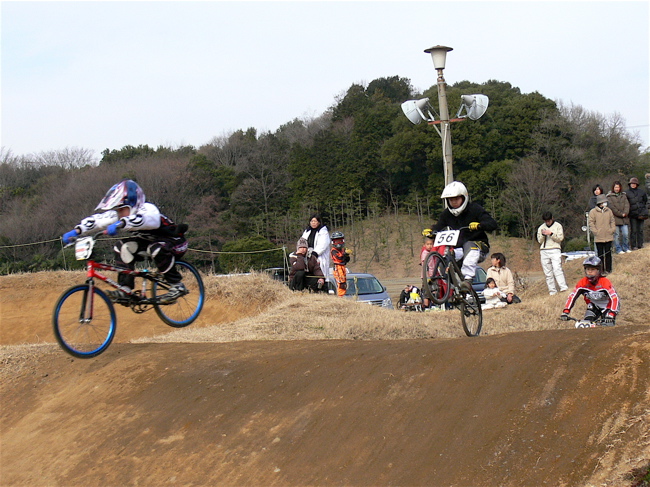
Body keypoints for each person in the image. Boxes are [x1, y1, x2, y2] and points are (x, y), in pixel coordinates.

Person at [61, 179, 188, 304]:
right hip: (149, 243)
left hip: (175, 241)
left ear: (133, 204)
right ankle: (125, 288)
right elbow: (97, 220)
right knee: (122, 246)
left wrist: (121, 223)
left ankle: (177, 285)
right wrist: (77, 231)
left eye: (122, 210)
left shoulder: (148, 209)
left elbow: (147, 220)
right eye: (118, 211)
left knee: (156, 248)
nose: (119, 214)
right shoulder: (120, 216)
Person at [429, 181, 498, 292]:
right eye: (451, 200)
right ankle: (451, 290)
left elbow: (492, 224)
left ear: (464, 198)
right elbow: (438, 226)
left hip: (479, 248)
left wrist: (480, 225)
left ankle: (468, 279)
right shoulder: (446, 214)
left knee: (469, 245)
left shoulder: (475, 209)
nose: (454, 202)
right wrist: (431, 232)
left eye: (456, 199)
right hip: (459, 250)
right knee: (446, 256)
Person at [560, 256, 619, 327]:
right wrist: (566, 311)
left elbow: (614, 298)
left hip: (608, 306)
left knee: (607, 325)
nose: (590, 272)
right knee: (586, 323)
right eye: (588, 269)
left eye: (593, 269)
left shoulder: (605, 282)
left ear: (599, 271)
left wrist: (612, 313)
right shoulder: (582, 282)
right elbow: (572, 297)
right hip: (594, 305)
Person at [536, 211, 568, 295]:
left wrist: (551, 234)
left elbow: (560, 238)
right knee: (547, 272)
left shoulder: (558, 226)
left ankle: (563, 287)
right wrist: (543, 235)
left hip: (555, 249)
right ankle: (552, 291)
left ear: (552, 219)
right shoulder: (541, 227)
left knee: (557, 269)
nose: (547, 222)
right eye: (545, 221)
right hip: (544, 250)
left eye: (548, 221)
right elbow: (539, 241)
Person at [588, 194, 615, 274]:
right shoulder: (593, 212)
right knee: (600, 255)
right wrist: (596, 232)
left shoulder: (609, 211)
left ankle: (609, 270)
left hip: (608, 236)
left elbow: (612, 221)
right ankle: (601, 270)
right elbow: (591, 223)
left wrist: (612, 229)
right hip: (599, 237)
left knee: (608, 254)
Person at [607, 181, 631, 254]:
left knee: (625, 234)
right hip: (615, 219)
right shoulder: (609, 197)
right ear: (613, 188)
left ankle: (626, 247)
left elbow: (627, 205)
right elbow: (612, 207)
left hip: (624, 219)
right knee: (616, 236)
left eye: (618, 187)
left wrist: (625, 213)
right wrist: (620, 214)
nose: (616, 188)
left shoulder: (624, 195)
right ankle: (618, 249)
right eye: (615, 187)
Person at [626, 177, 649, 250]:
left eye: (634, 184)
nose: (633, 185)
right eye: (632, 184)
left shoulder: (641, 192)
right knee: (634, 230)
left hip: (641, 213)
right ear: (630, 184)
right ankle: (633, 245)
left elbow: (645, 201)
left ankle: (640, 244)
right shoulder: (626, 192)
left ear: (637, 184)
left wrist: (644, 209)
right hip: (632, 214)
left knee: (641, 230)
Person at [330, 231, 351, 297]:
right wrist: (345, 254)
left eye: (340, 241)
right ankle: (340, 296)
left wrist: (347, 255)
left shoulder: (342, 250)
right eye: (337, 241)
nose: (338, 243)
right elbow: (339, 258)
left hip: (343, 266)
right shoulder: (333, 250)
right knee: (341, 283)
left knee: (344, 283)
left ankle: (342, 295)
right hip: (338, 267)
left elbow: (346, 260)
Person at [419, 233, 436, 308]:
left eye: (431, 244)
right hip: (427, 276)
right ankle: (426, 306)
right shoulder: (425, 253)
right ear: (424, 245)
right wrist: (428, 275)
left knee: (434, 291)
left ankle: (433, 305)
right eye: (428, 244)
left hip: (433, 275)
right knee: (426, 291)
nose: (429, 246)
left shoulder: (432, 253)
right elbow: (425, 265)